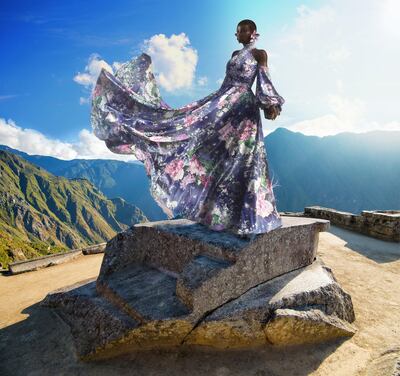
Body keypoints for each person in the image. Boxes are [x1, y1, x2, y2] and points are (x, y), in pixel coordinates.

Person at [91, 19, 285, 236]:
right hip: (225, 103)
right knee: (215, 148)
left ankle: (249, 217)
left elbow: (264, 80)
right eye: (237, 32)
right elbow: (226, 83)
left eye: (242, 31)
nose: (238, 35)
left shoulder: (260, 54)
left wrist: (269, 104)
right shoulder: (233, 56)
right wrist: (213, 103)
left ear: (253, 33)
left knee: (246, 157)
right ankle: (220, 214)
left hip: (245, 110)